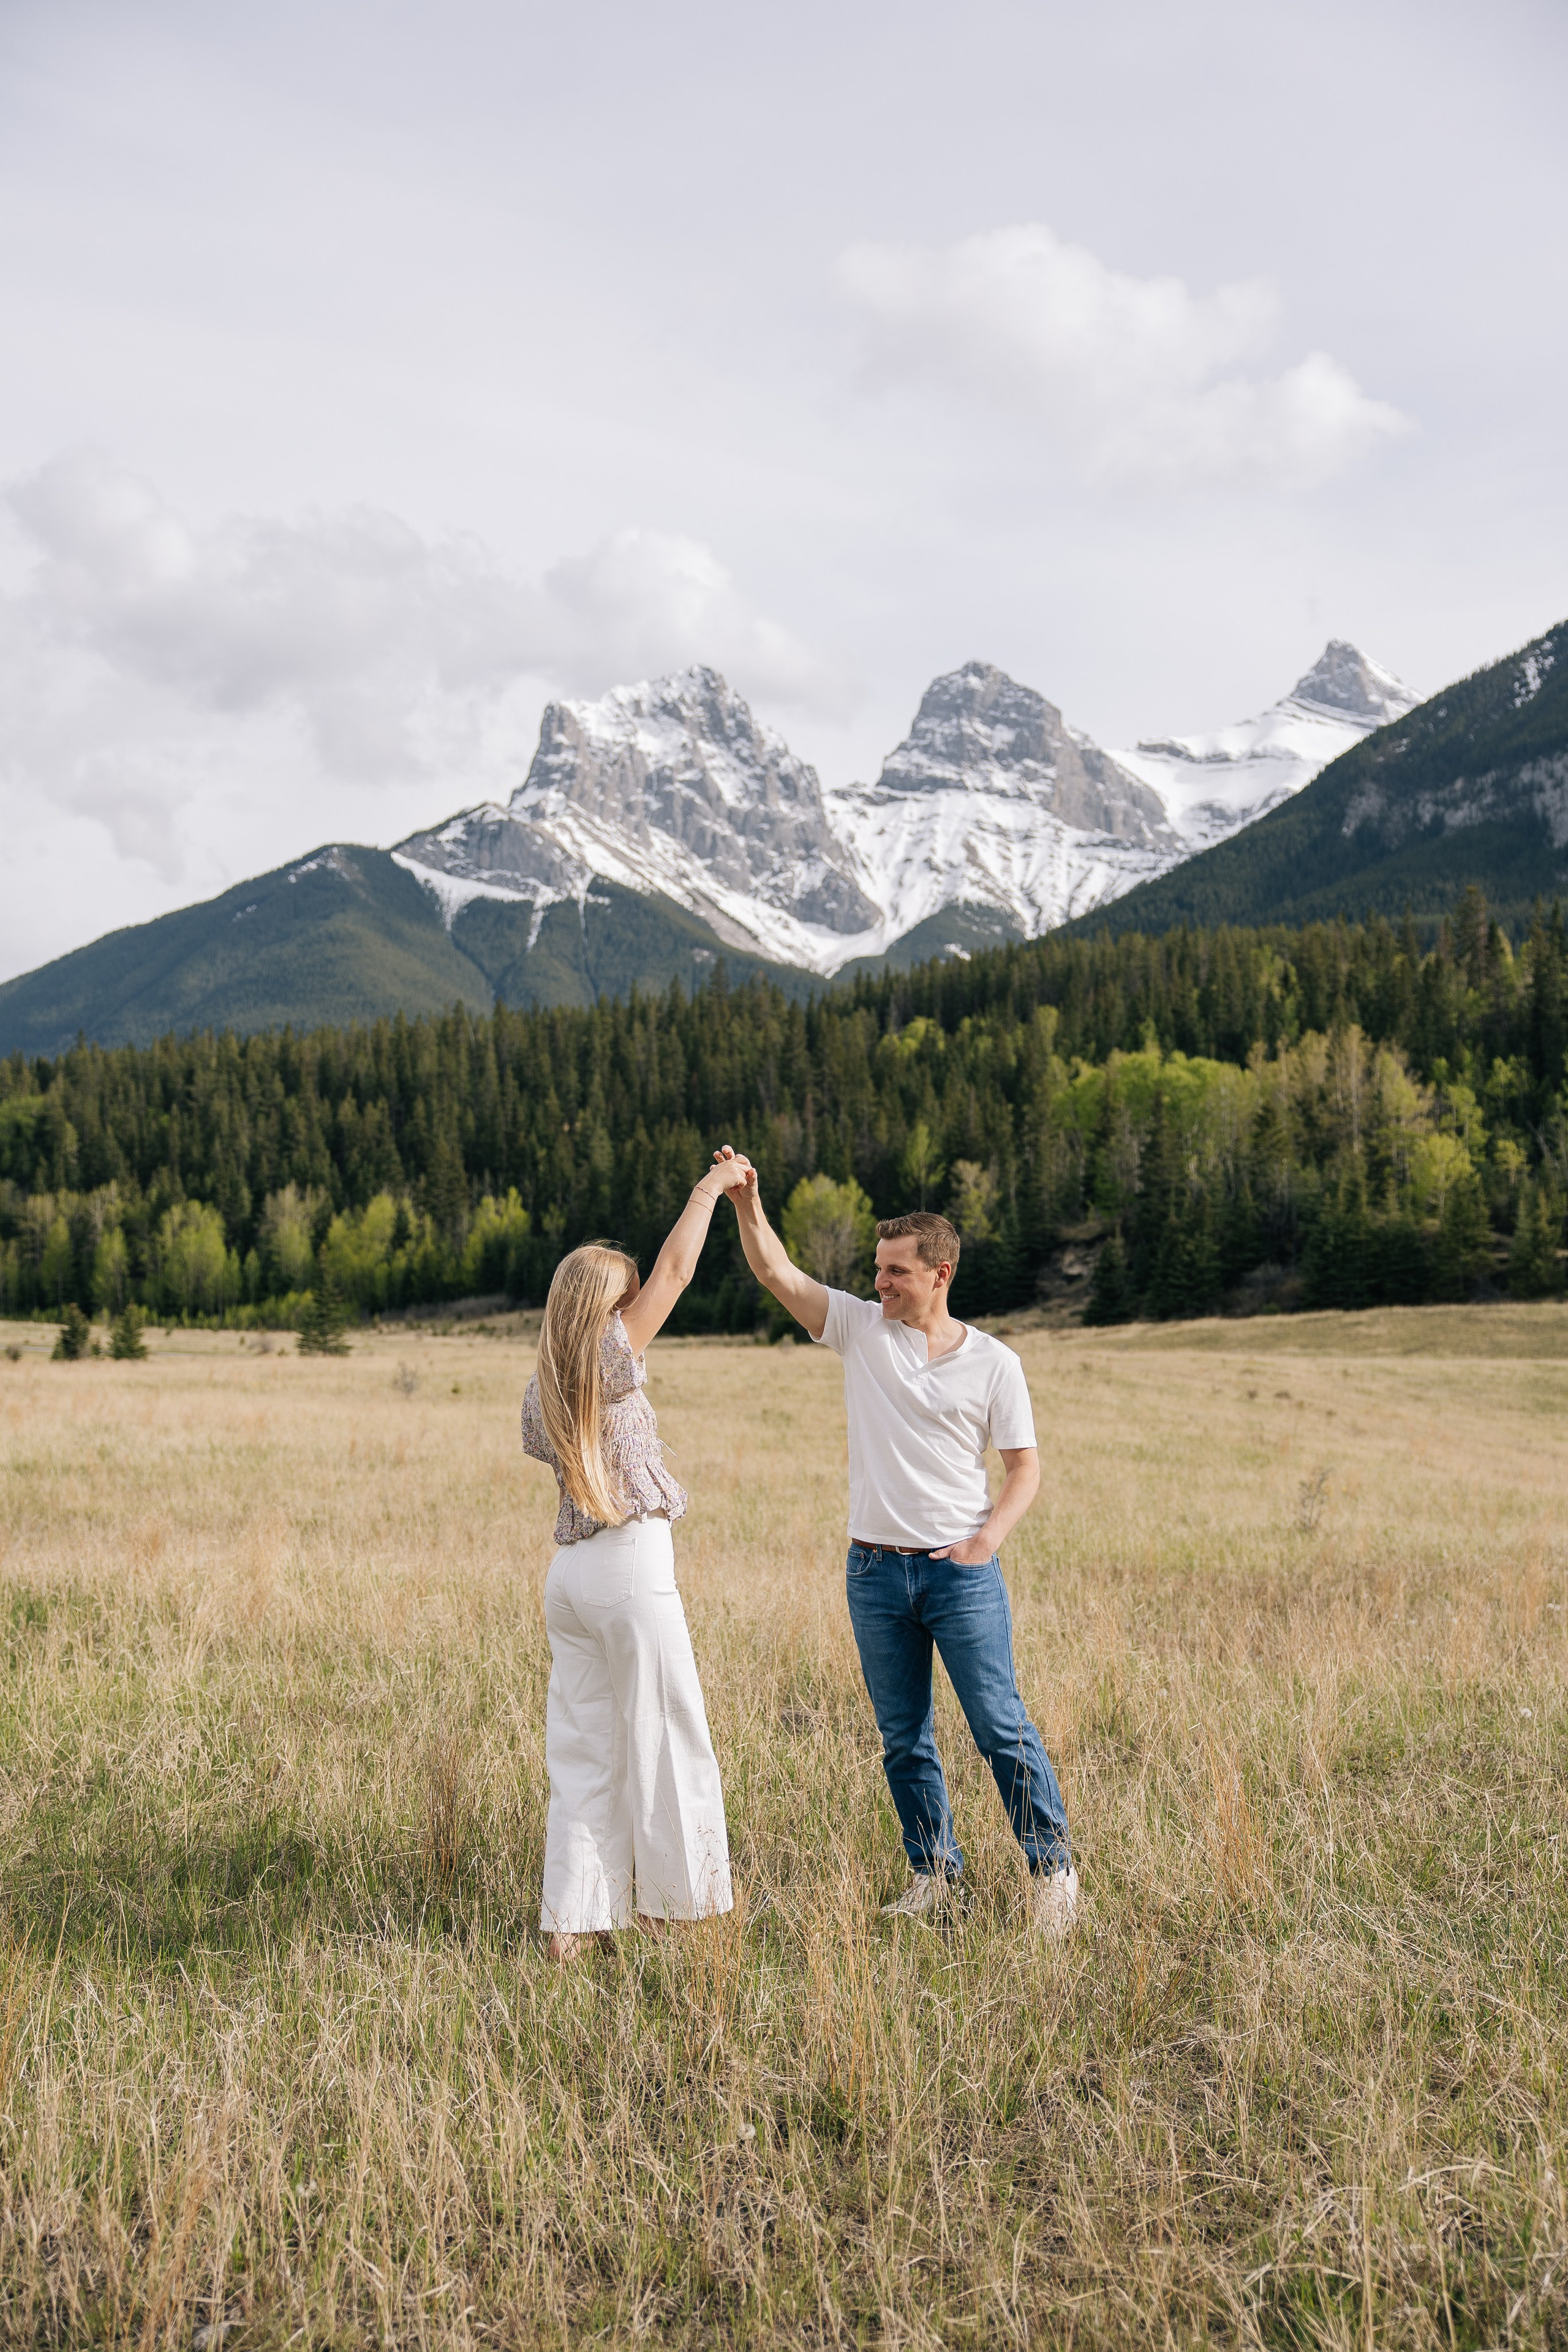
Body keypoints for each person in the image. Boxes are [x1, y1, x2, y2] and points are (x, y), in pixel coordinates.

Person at [718, 1154, 1079, 1939]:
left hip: (960, 1575)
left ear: (939, 1273)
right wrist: (748, 1203)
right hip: (874, 1572)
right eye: (876, 1271)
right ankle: (934, 1876)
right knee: (903, 1740)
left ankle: (1051, 1871)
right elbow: (776, 1272)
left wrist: (986, 1542)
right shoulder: (858, 1329)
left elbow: (1025, 1470)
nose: (877, 1284)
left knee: (998, 1728)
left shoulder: (994, 1363)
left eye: (894, 1273)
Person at [520, 1155, 754, 1961]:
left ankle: (571, 1930)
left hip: (570, 1578)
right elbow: (680, 1269)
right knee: (668, 1736)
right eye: (624, 1299)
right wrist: (708, 1192)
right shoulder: (604, 1356)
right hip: (626, 1563)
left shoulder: (542, 1379)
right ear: (604, 1308)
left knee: (585, 1756)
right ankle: (676, 1918)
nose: (635, 1309)